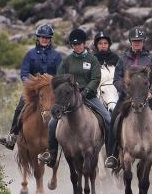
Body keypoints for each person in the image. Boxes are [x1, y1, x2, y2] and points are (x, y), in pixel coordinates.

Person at [103, 26, 152, 169]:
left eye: (139, 41)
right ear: (130, 42)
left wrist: (151, 92)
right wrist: (125, 90)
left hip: (146, 97)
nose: (137, 43)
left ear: (143, 42)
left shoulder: (150, 60)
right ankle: (112, 155)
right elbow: (116, 79)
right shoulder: (123, 60)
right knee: (113, 119)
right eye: (134, 41)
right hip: (127, 97)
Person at [37, 28, 111, 167]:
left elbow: (95, 78)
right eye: (74, 44)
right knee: (53, 122)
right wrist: (66, 91)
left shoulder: (92, 59)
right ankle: (52, 155)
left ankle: (112, 155)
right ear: (71, 45)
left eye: (79, 44)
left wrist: (84, 92)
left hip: (88, 96)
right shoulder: (67, 61)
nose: (77, 46)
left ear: (84, 44)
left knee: (108, 119)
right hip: (68, 98)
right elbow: (58, 79)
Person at [0, 23, 62, 150]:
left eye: (47, 37)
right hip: (34, 91)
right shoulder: (30, 54)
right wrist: (31, 85)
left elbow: (60, 74)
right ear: (38, 38)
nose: (44, 39)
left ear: (50, 39)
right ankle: (13, 136)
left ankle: (65, 138)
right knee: (20, 108)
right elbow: (24, 73)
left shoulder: (56, 55)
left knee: (63, 109)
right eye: (42, 37)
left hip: (50, 91)